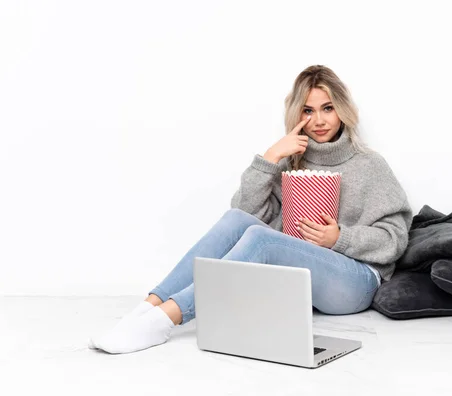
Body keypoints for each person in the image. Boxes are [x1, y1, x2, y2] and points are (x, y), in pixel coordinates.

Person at [89, 65, 413, 354]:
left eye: (327, 108)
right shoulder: (291, 161)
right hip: (302, 282)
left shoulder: (369, 165)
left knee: (263, 239)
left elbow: (395, 239)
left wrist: (339, 237)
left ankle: (166, 319)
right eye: (307, 110)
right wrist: (271, 158)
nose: (318, 120)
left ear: (342, 109)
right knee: (235, 219)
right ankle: (145, 309)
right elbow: (244, 216)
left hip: (356, 282)